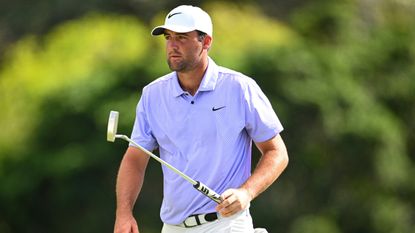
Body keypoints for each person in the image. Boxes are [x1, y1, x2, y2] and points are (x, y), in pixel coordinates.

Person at [114, 5, 289, 233]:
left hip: (227, 224)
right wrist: (124, 213)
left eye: (182, 38)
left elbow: (277, 152)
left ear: (206, 42)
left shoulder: (239, 88)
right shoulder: (152, 95)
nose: (172, 45)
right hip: (173, 227)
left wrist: (246, 192)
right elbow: (134, 159)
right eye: (168, 38)